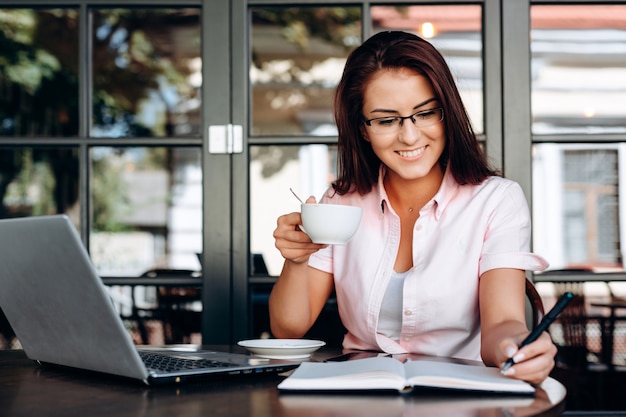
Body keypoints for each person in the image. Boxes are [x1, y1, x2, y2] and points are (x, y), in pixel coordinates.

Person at [269, 30, 555, 384]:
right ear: (363, 129)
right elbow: (288, 328)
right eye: (387, 120)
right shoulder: (340, 203)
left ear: (446, 113)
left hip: (455, 393)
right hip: (360, 390)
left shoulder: (496, 200)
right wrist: (296, 261)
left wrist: (518, 348)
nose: (409, 136)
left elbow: (501, 324)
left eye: (425, 113)